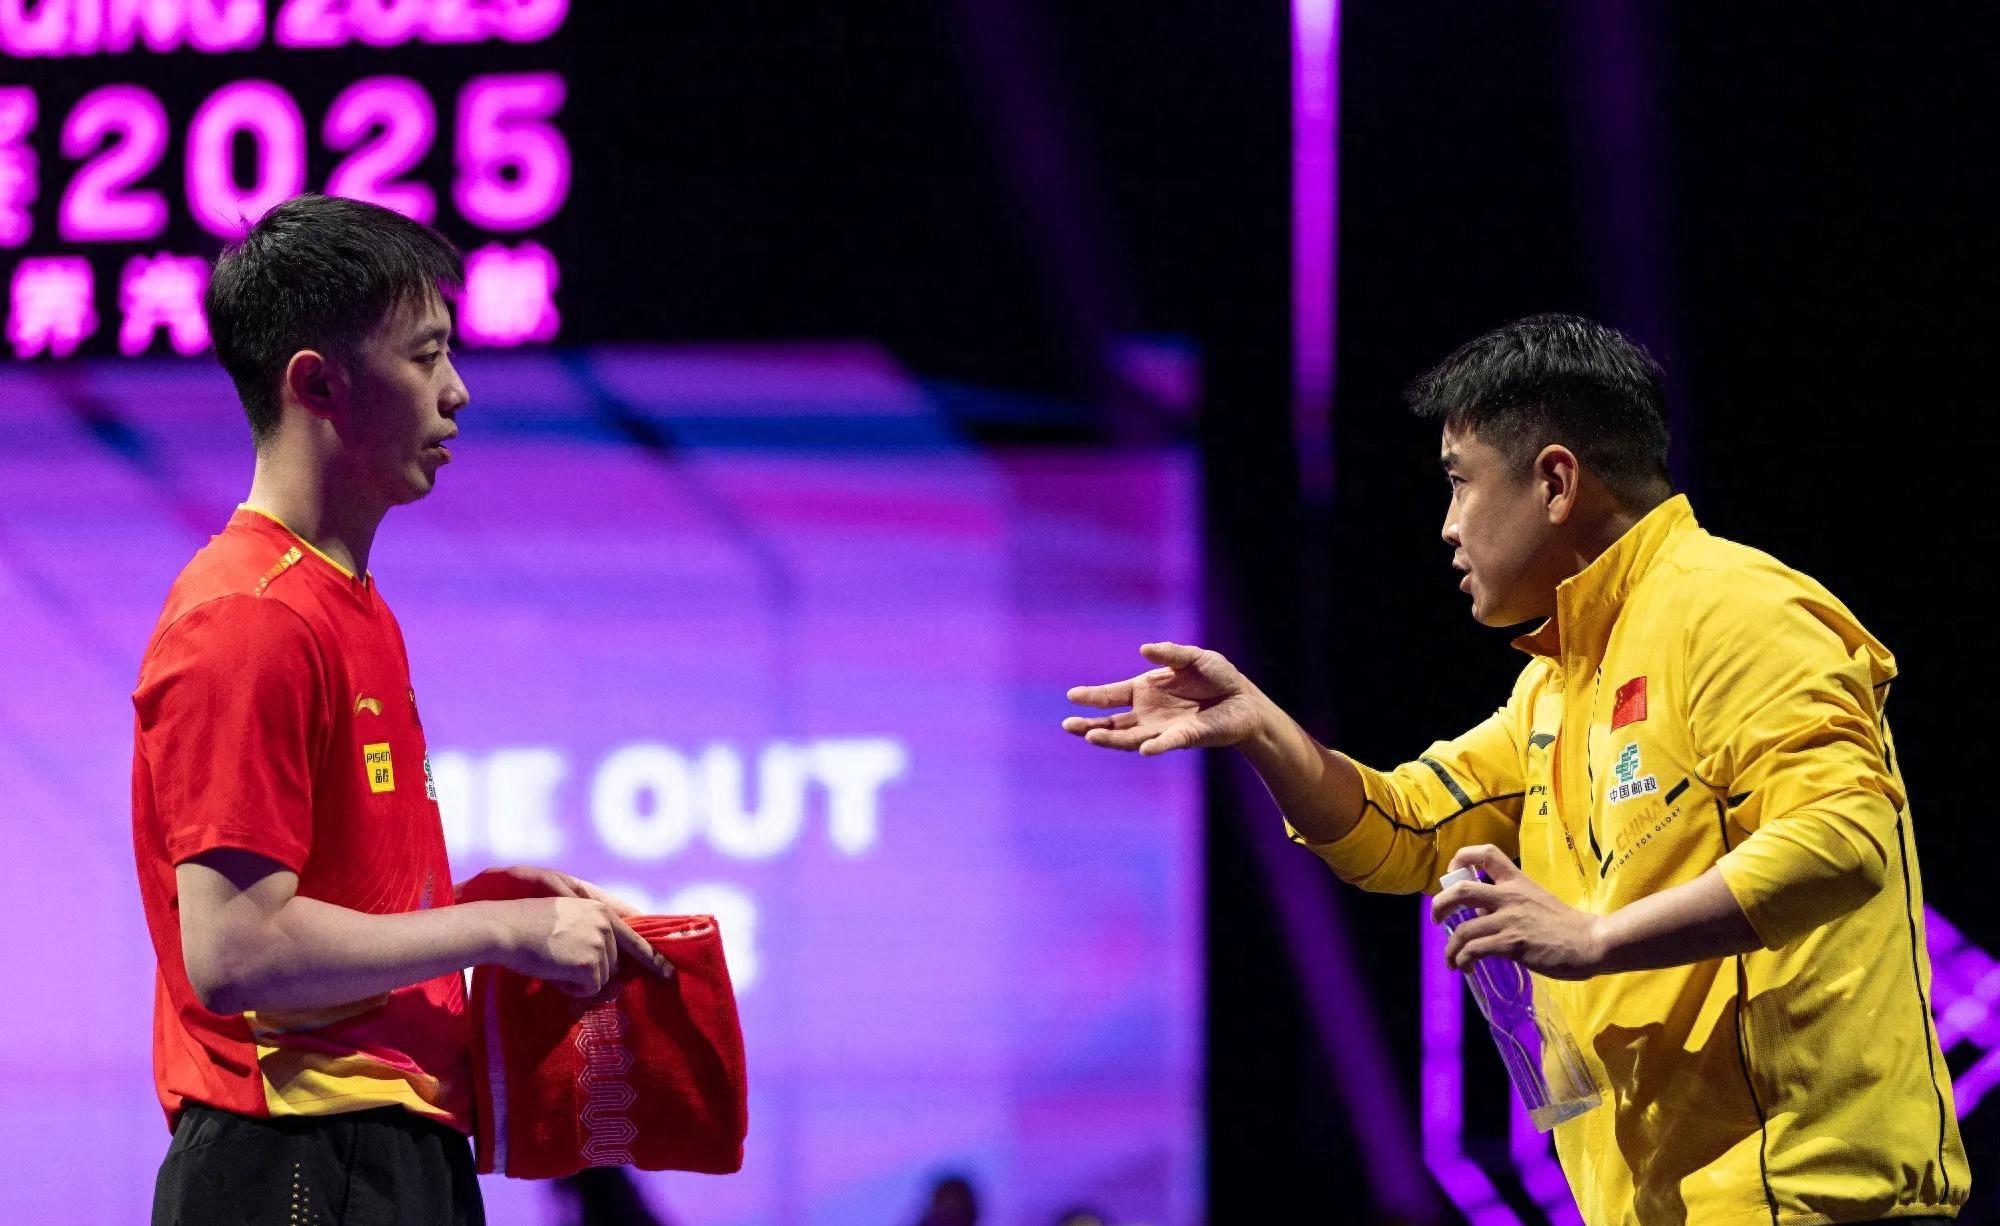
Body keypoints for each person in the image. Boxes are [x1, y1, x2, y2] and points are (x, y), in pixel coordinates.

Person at [1064, 314, 1967, 1225]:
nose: (1448, 526)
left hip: (1812, 1202)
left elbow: (1843, 840)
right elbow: (1400, 831)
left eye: (1459, 482)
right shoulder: (1555, 687)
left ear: (1555, 482)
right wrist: (1262, 729)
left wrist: (1594, 939)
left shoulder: (1737, 610)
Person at [131, 193, 674, 1226]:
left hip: (387, 1150)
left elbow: (315, 903)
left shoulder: (349, 604)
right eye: (425, 356)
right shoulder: (247, 616)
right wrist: (498, 928)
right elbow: (237, 950)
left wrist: (495, 905)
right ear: (316, 383)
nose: (457, 389)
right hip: (299, 1160)